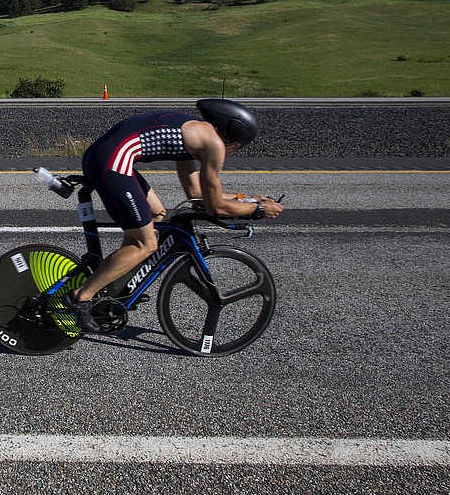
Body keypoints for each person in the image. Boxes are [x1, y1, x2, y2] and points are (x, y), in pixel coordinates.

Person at [62, 98, 284, 331]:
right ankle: (81, 297)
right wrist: (256, 209)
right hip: (113, 161)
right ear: (232, 137)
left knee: (158, 216)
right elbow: (214, 207)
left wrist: (249, 198)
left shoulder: (195, 131)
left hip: (107, 156)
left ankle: (118, 287)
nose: (234, 152)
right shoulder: (214, 145)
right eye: (238, 147)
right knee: (145, 244)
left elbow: (196, 193)